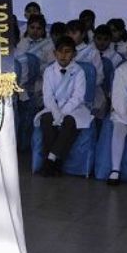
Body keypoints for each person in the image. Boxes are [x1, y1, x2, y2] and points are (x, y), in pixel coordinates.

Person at [35, 36, 92, 176]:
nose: (63, 55)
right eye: (60, 51)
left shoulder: (79, 71)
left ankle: (50, 160)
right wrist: (56, 112)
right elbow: (47, 96)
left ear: (74, 54)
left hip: (73, 108)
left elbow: (78, 97)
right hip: (53, 107)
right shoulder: (49, 71)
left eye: (68, 51)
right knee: (46, 120)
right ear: (55, 53)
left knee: (70, 122)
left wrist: (63, 112)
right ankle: (56, 163)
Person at [109, 59, 127, 186]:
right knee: (119, 131)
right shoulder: (122, 70)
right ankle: (115, 170)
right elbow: (118, 98)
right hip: (125, 112)